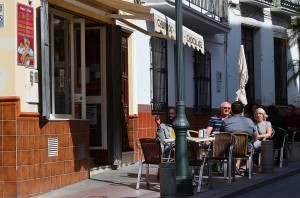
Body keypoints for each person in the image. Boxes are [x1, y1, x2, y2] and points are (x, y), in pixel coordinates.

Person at [220, 101, 258, 173]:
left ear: (231, 110)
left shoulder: (226, 122)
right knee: (251, 146)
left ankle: (230, 169)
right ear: (242, 110)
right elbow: (255, 137)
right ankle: (248, 169)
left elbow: (221, 135)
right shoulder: (249, 121)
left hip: (230, 150)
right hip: (246, 150)